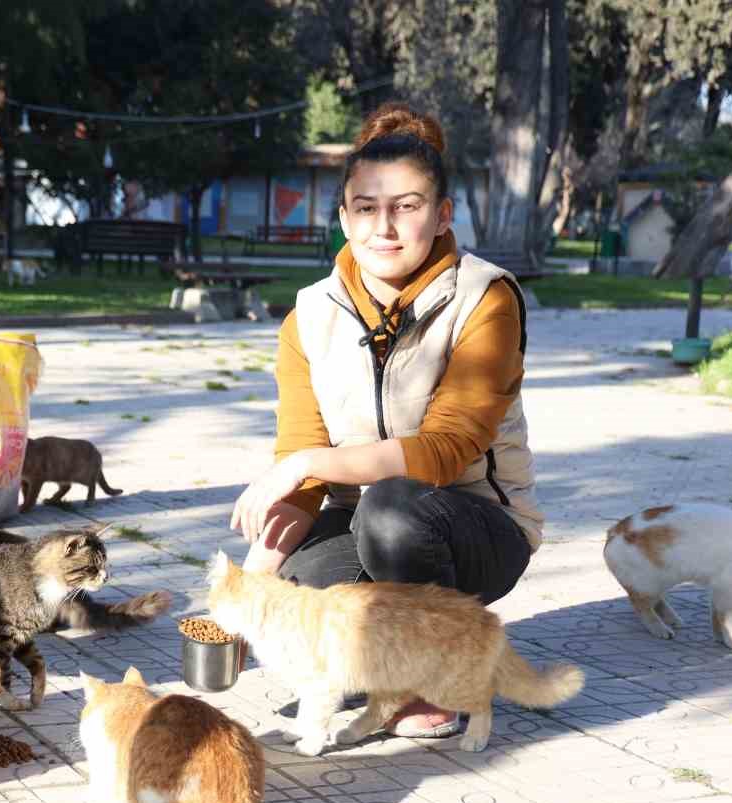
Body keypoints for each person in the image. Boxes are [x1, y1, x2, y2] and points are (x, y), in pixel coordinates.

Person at [229, 102, 542, 739]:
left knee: (394, 513)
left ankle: (430, 679)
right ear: (344, 217)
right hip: (369, 518)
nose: (386, 227)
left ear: (443, 213)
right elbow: (303, 472)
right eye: (367, 208)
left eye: (408, 205)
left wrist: (308, 463)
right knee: (302, 578)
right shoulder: (309, 316)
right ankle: (381, 661)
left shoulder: (487, 297)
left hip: (473, 526)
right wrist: (244, 597)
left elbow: (449, 447)